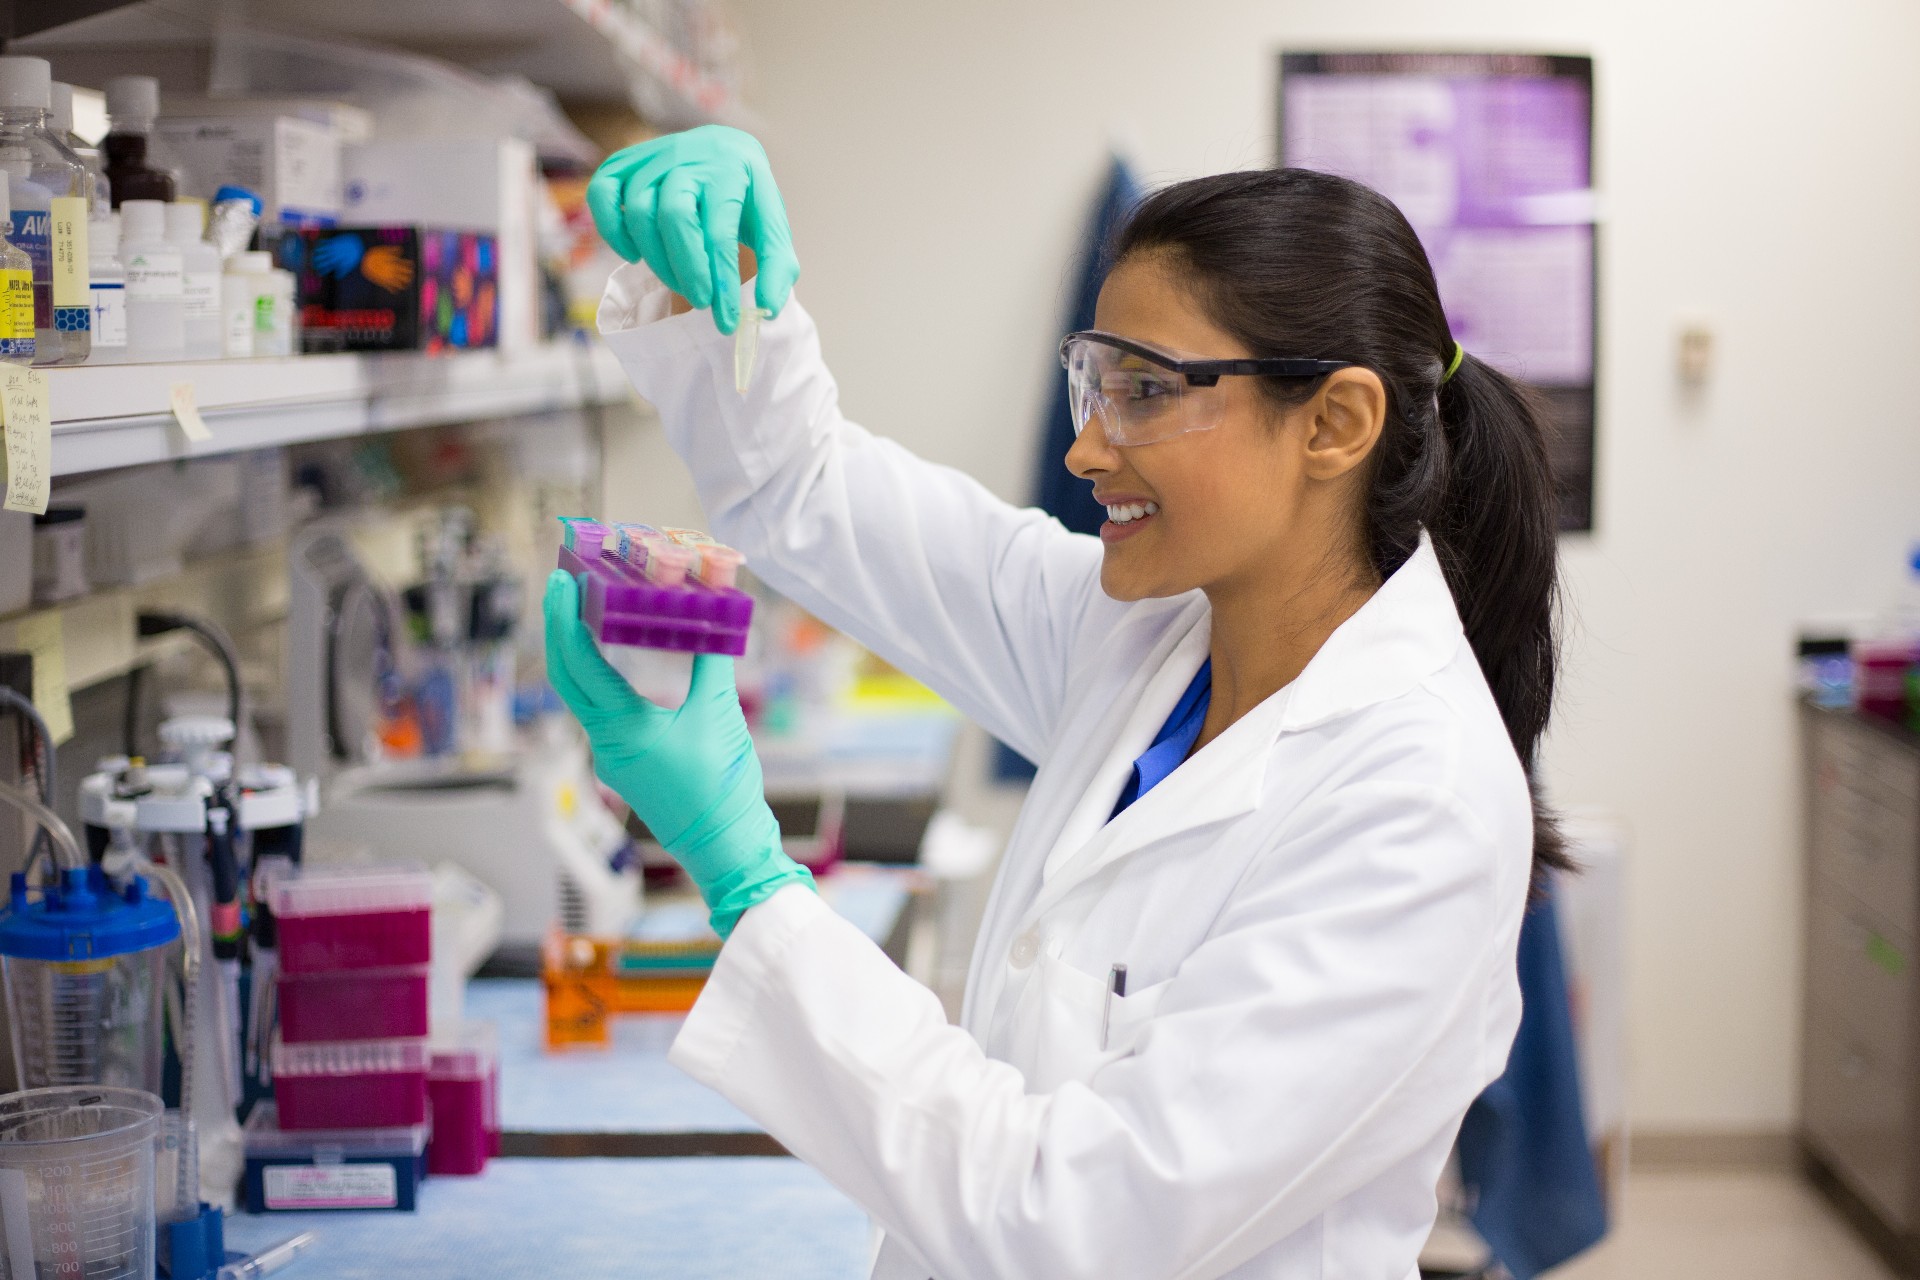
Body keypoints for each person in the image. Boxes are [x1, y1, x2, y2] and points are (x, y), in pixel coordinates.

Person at [547, 125, 1566, 1280]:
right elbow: (808, 494)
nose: (1086, 446)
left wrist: (747, 874)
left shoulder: (1417, 799)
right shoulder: (1149, 637)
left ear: (1334, 423)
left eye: (1146, 391)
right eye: (1096, 380)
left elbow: (1073, 1225)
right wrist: (719, 294)